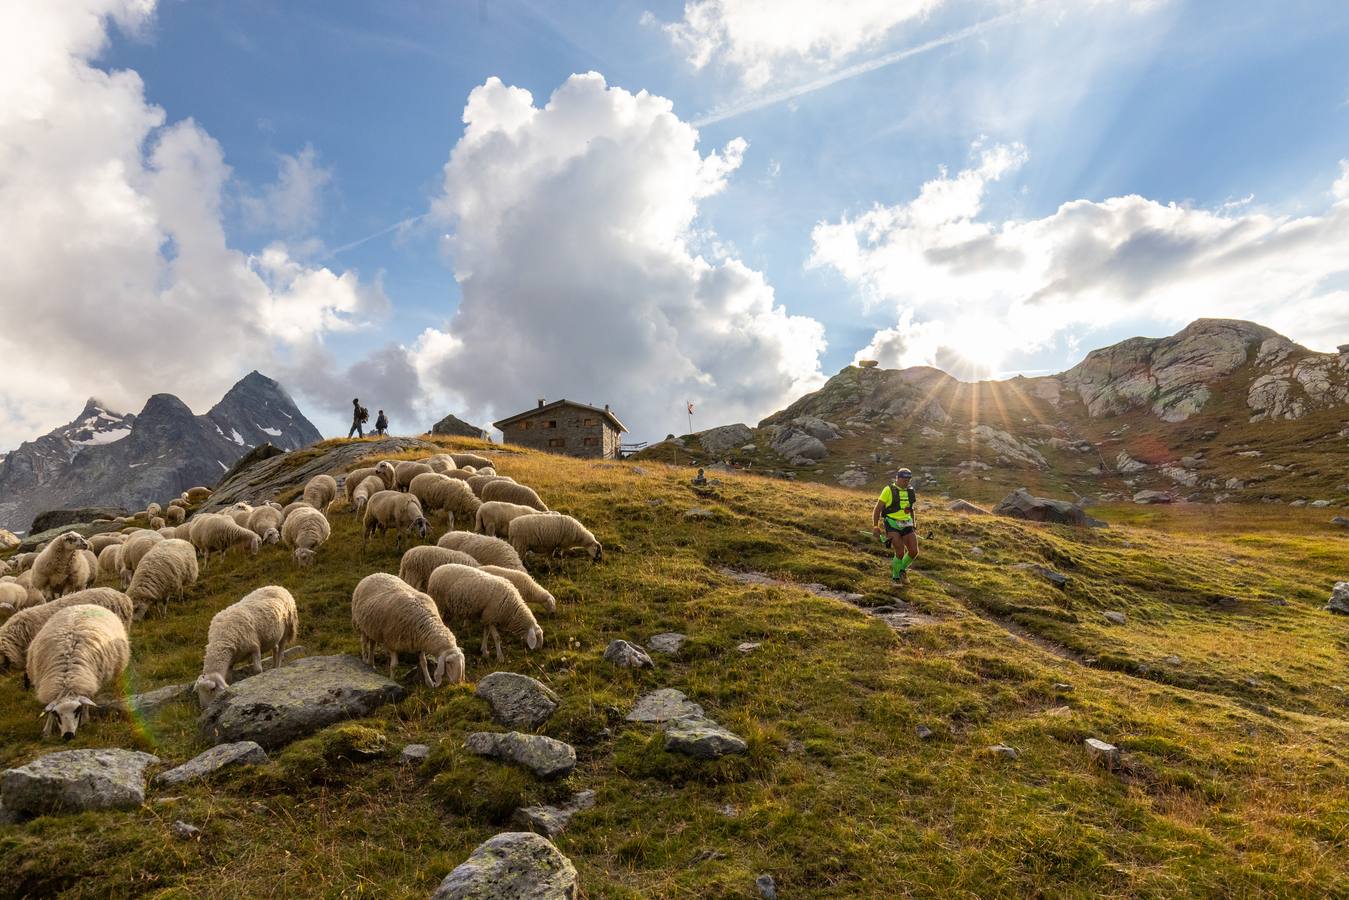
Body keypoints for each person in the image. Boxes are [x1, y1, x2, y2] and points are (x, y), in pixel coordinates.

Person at [872, 467, 918, 585]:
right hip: (891, 523)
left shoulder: (910, 491)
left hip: (907, 523)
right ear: (897, 478)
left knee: (913, 551)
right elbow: (877, 509)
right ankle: (895, 577)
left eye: (908, 480)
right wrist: (875, 526)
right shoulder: (888, 490)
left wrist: (914, 523)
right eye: (904, 480)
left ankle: (902, 569)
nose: (906, 482)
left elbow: (911, 509)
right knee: (900, 552)